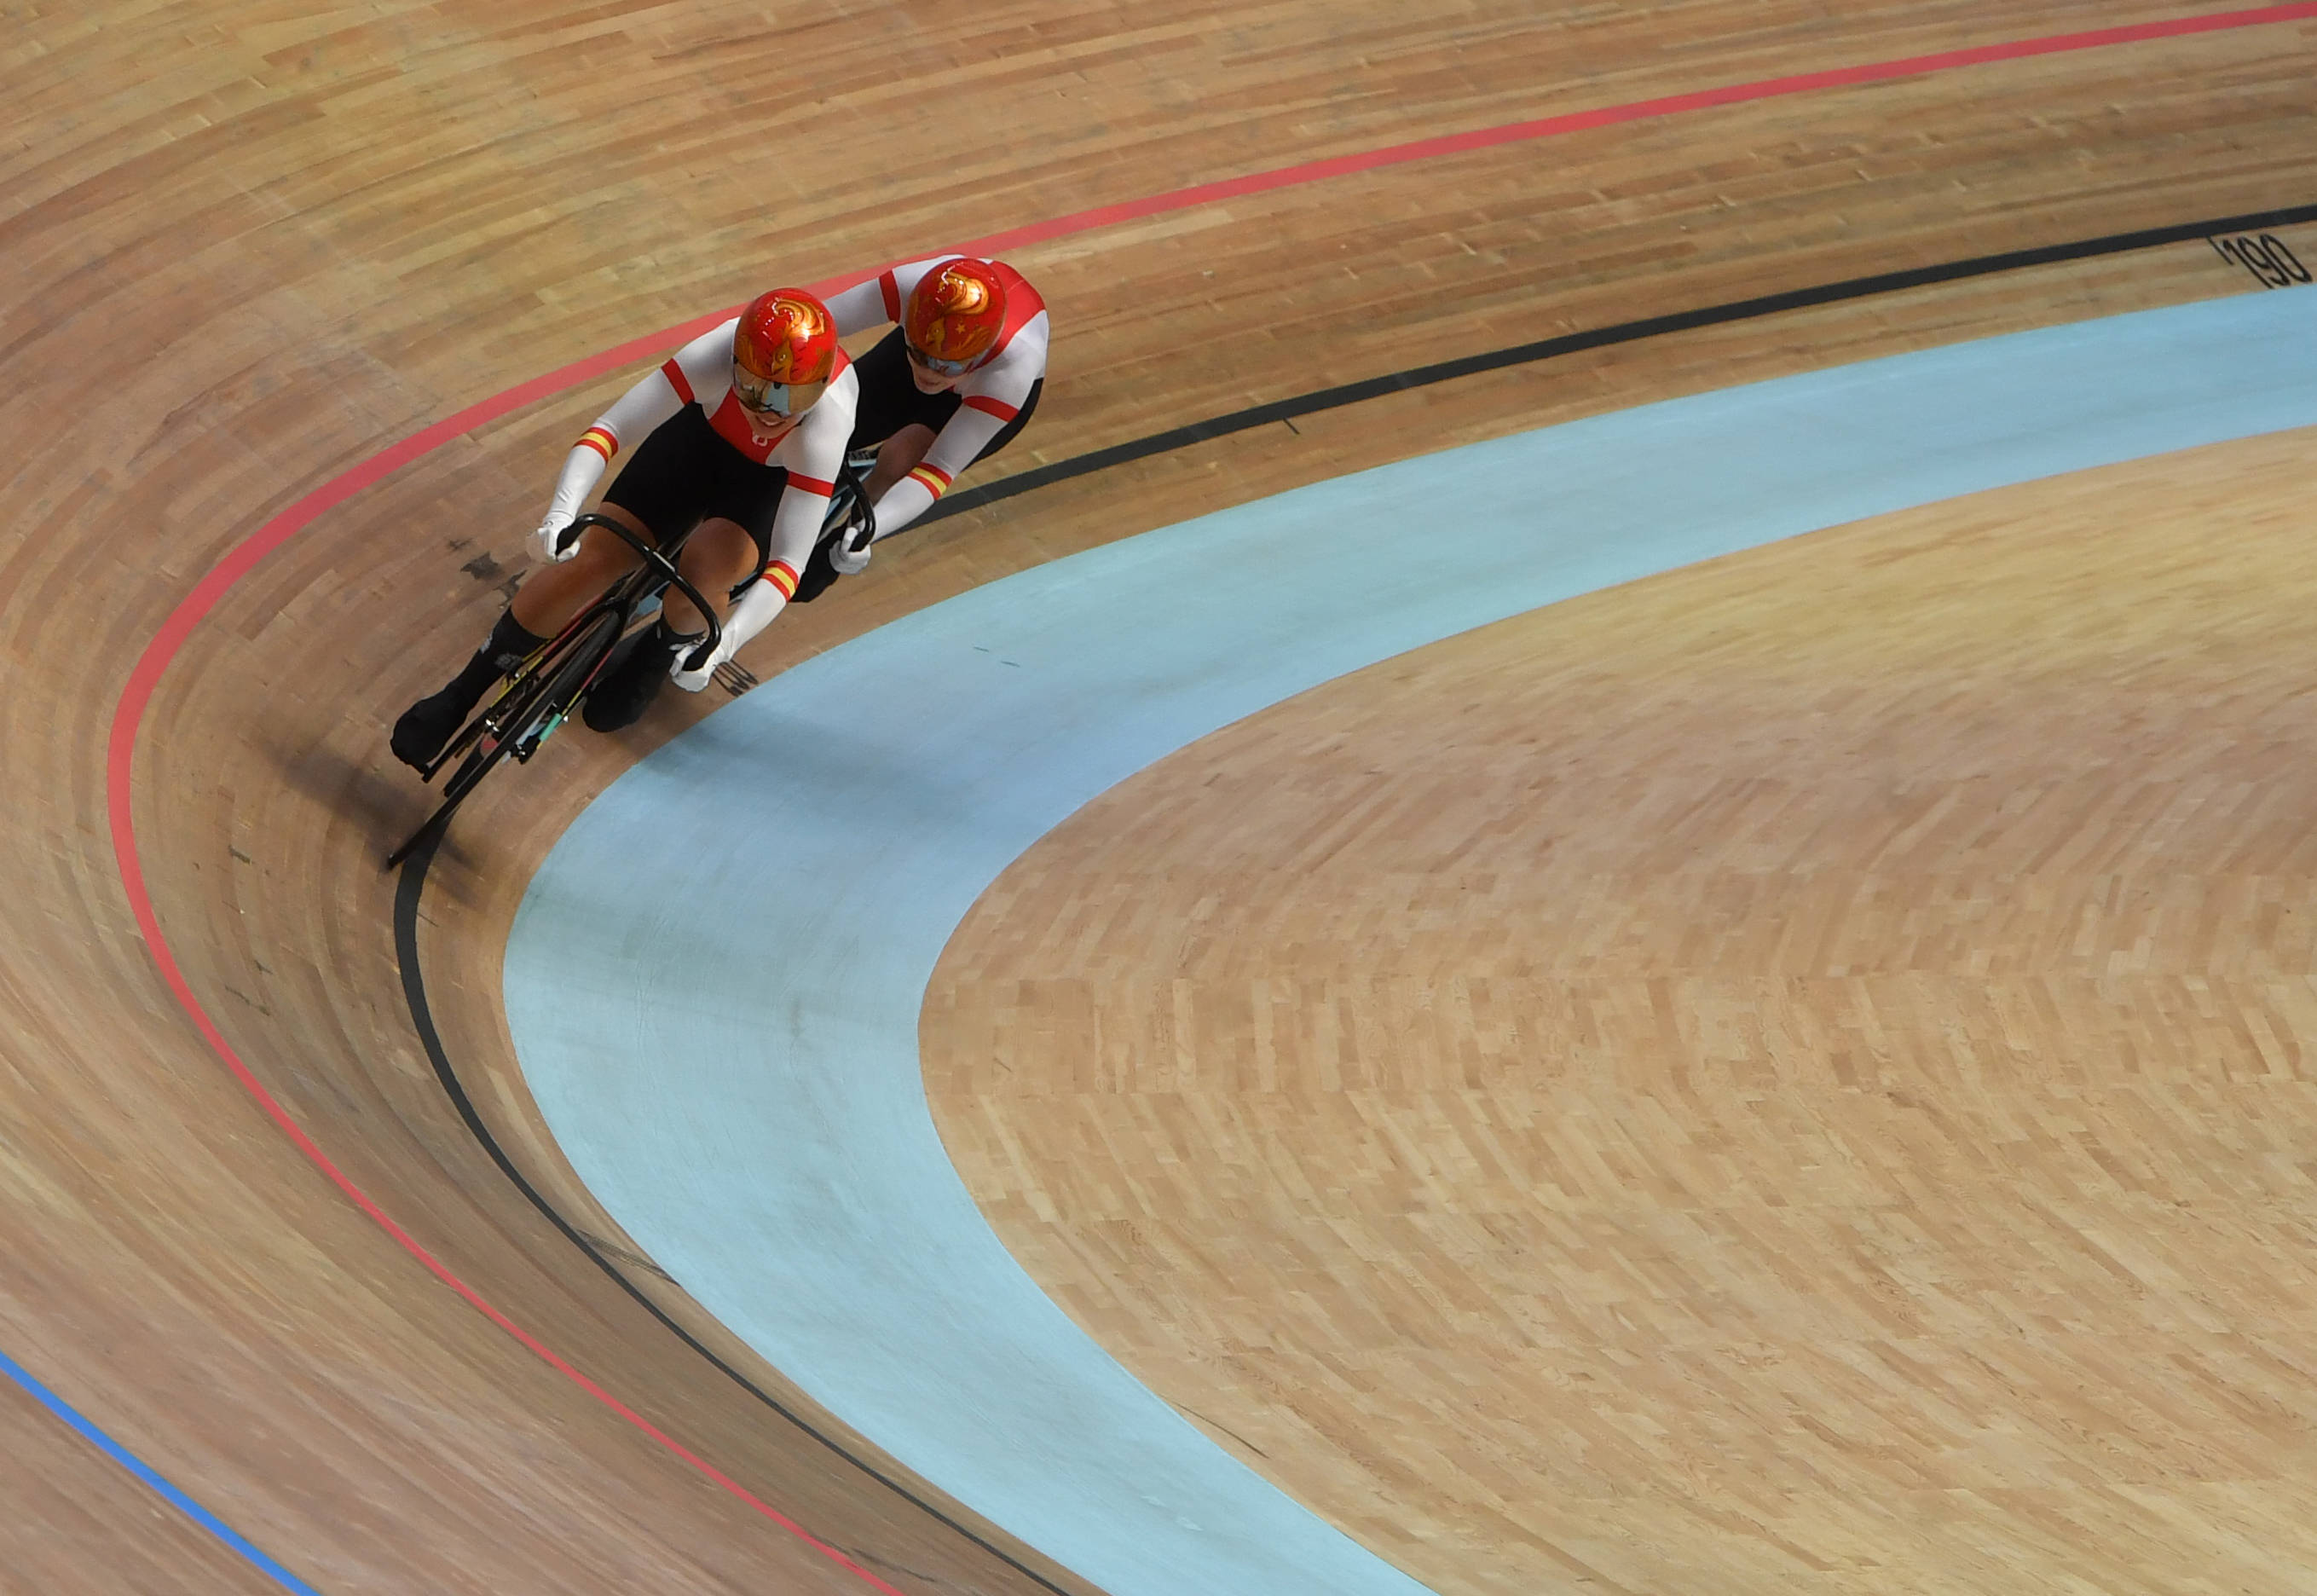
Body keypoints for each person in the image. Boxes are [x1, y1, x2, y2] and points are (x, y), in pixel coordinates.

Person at [390, 287, 858, 767]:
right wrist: (561, 513)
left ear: (820, 389)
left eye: (794, 396)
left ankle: (659, 654)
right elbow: (608, 430)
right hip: (700, 440)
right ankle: (460, 692)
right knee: (597, 558)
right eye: (757, 389)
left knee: (706, 572)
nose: (772, 411)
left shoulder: (825, 430)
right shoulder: (709, 358)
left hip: (769, 480)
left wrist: (722, 648)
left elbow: (789, 563)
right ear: (733, 366)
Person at [794, 253, 1049, 600]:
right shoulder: (908, 287)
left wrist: (871, 530)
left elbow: (937, 471)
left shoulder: (1011, 368)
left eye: (947, 367)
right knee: (829, 422)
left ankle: (830, 556)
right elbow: (812, 329)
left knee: (900, 462)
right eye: (921, 356)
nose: (929, 374)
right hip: (938, 344)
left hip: (978, 394)